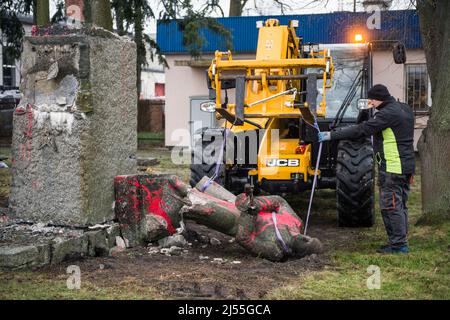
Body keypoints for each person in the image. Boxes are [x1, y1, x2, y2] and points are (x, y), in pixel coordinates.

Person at [318, 84, 415, 254]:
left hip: (393, 167)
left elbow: (362, 130)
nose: (369, 102)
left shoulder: (387, 114)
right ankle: (400, 241)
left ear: (378, 99)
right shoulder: (404, 108)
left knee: (390, 206)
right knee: (400, 205)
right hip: (407, 166)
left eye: (371, 100)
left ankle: (399, 245)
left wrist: (331, 135)